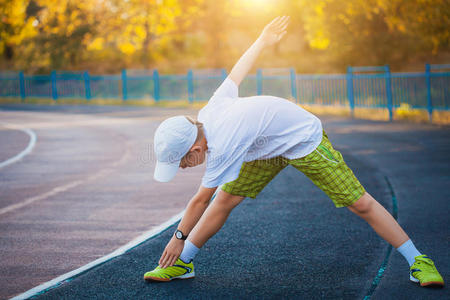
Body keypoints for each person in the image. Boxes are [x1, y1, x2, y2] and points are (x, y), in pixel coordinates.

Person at [143, 16, 444, 287]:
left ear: (196, 147)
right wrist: (262, 40)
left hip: (301, 139)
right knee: (225, 201)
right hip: (262, 147)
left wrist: (176, 239)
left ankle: (418, 260)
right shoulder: (208, 113)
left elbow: (200, 199)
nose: (183, 168)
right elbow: (236, 73)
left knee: (360, 203)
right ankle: (182, 265)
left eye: (182, 162)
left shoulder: (223, 141)